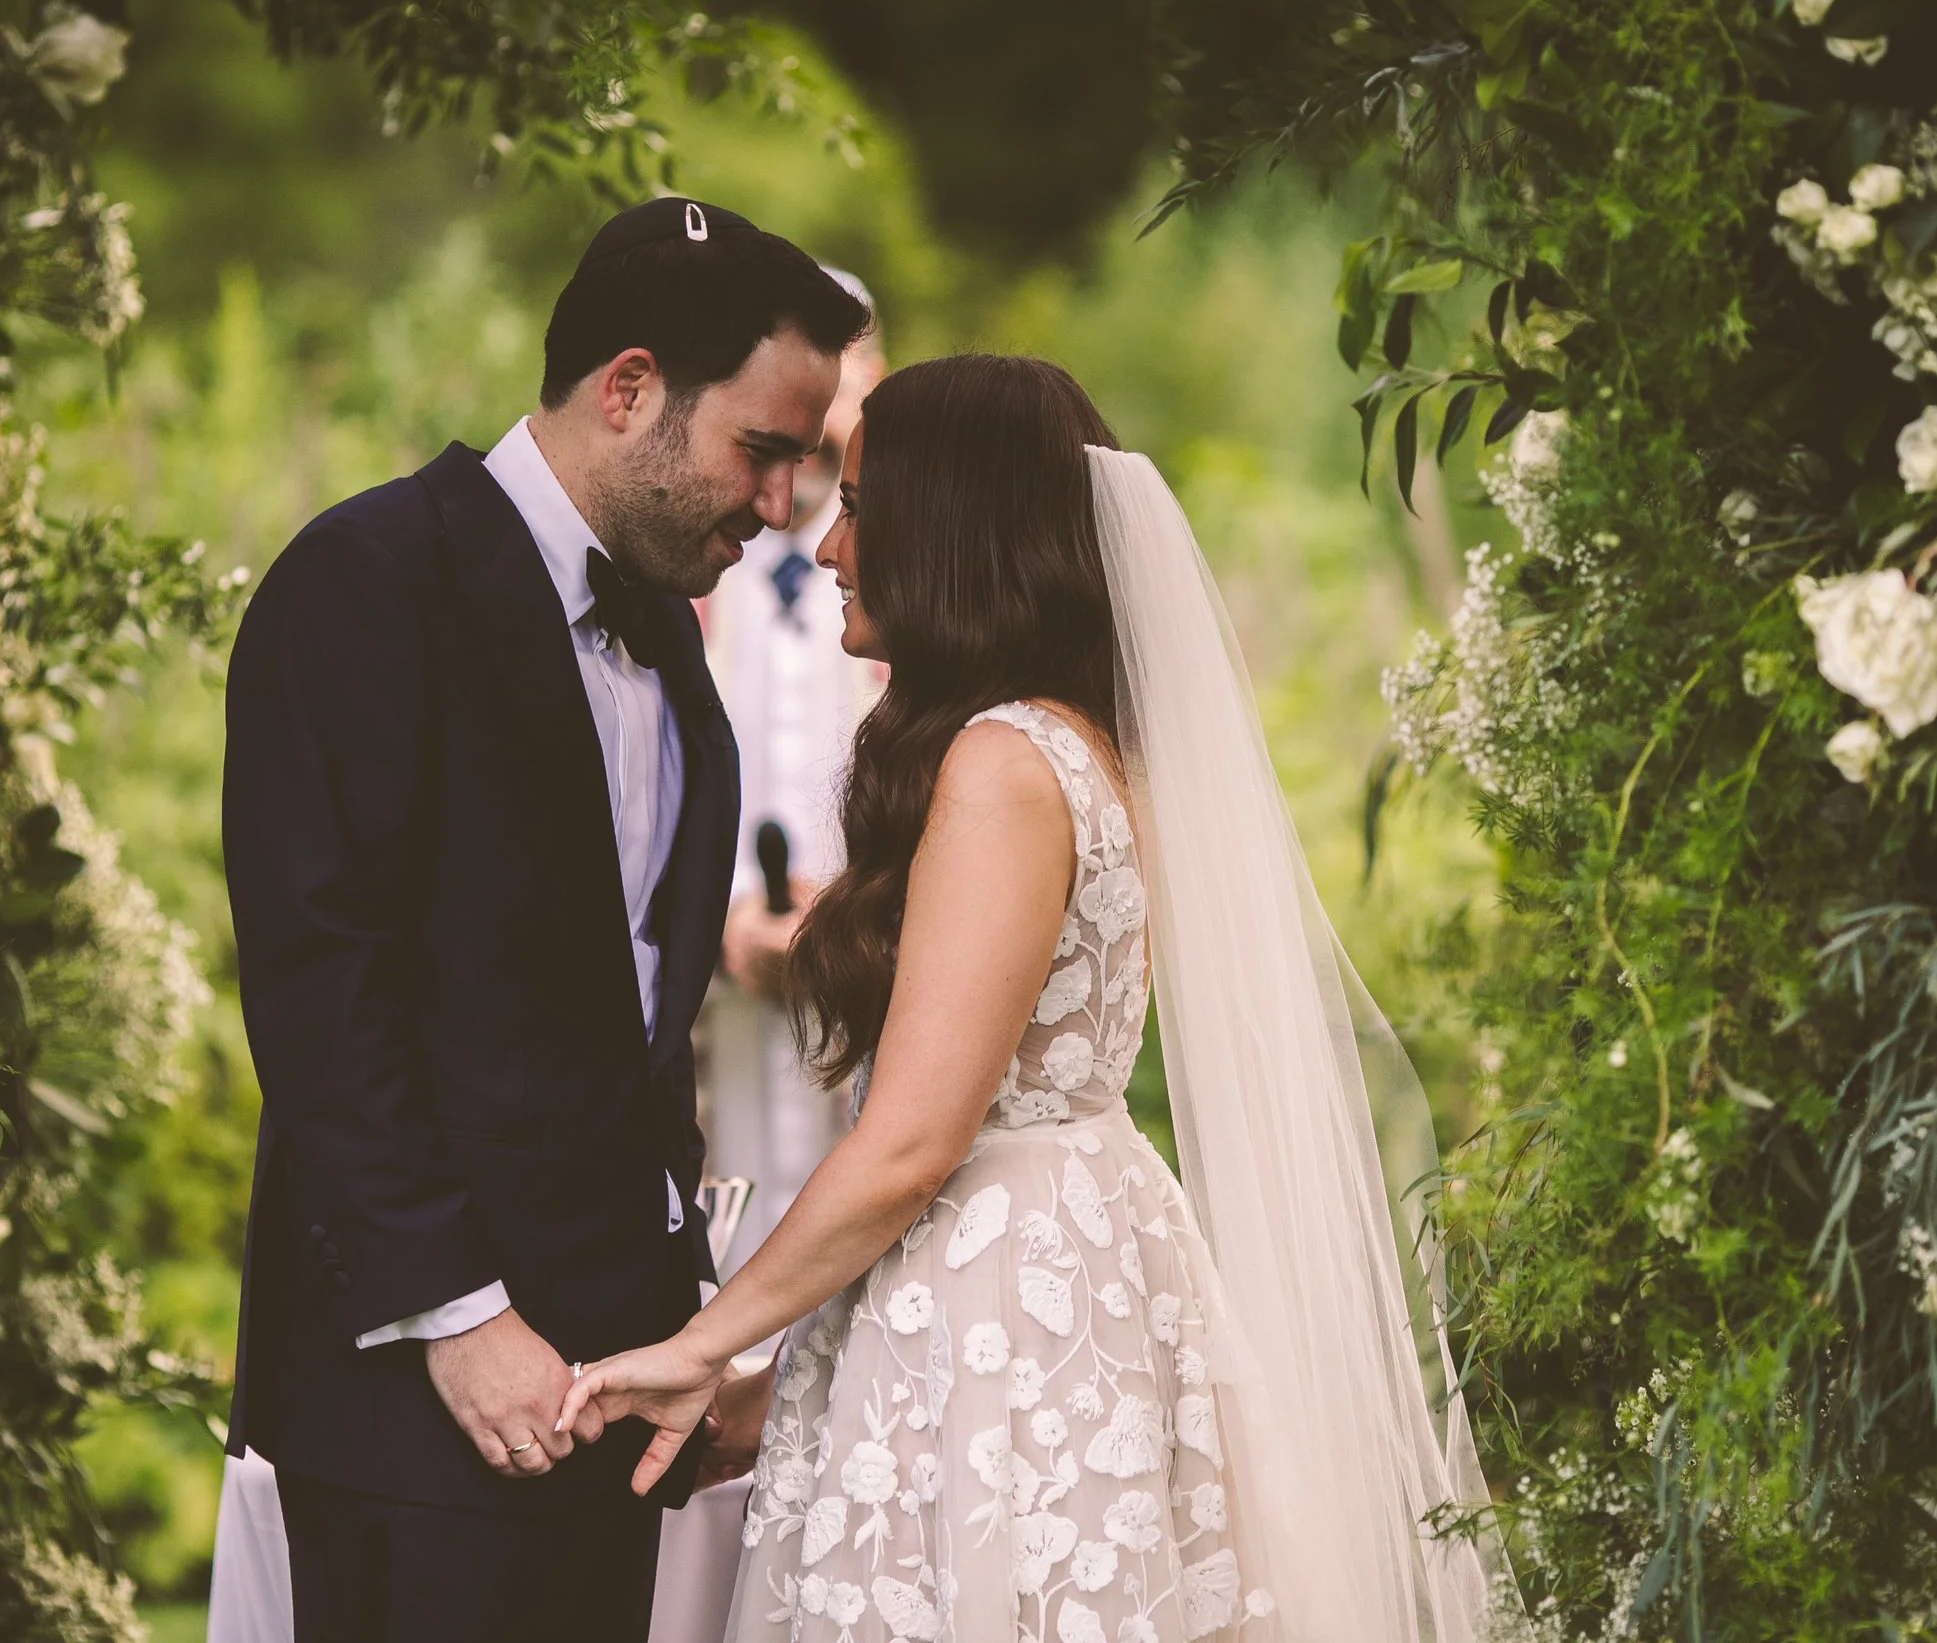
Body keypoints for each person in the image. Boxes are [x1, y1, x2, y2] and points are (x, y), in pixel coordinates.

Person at [554, 356, 1496, 1640]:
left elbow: (914, 1144)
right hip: (1047, 1266)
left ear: (955, 532)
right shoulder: (1081, 743)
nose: (830, 541)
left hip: (1006, 1302)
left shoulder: (1004, 765)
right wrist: (788, 1383)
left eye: (866, 503)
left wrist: (696, 1344)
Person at [218, 195, 869, 1643]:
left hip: (613, 1400)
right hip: (416, 1407)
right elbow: (324, 988)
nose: (781, 506)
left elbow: (634, 1027)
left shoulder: (669, 648)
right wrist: (459, 1317)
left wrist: (679, 1321)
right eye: (761, 450)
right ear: (629, 388)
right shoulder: (368, 580)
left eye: (805, 465)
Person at [697, 269, 887, 1277]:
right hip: (712, 1007)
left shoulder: (905, 591)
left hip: (863, 986)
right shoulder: (678, 580)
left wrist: (844, 919)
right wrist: (722, 928)